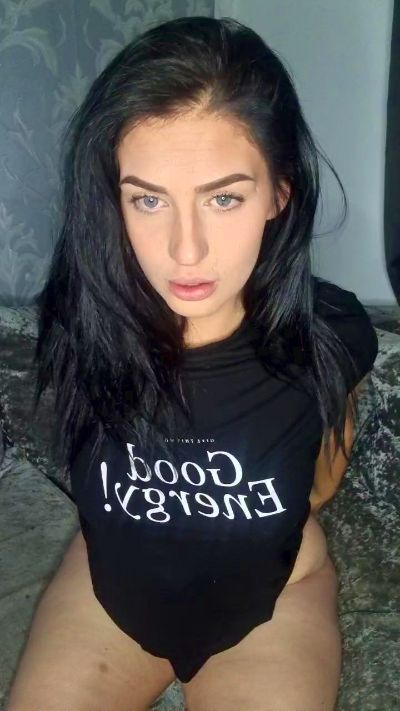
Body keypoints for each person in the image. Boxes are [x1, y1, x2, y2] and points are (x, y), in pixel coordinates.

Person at [7, 15, 379, 711]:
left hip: (274, 606)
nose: (185, 250)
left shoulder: (332, 332)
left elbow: (324, 475)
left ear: (279, 193)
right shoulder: (80, 326)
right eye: (149, 199)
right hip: (105, 600)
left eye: (224, 197)